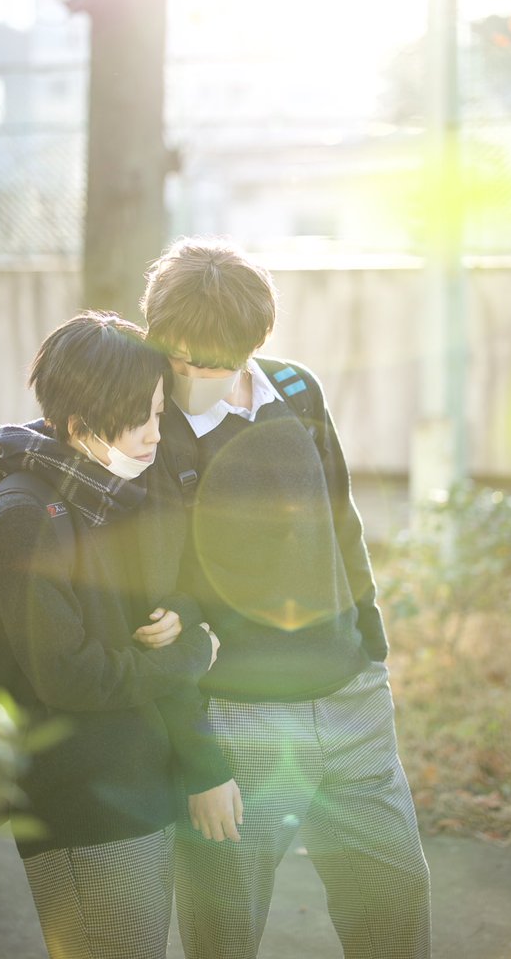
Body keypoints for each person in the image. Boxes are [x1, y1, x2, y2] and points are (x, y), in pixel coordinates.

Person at [139, 238, 431, 959]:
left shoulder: (296, 390)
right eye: (177, 358)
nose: (190, 374)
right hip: (236, 716)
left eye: (211, 362)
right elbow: (148, 593)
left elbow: (341, 518)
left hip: (350, 698)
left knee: (393, 901)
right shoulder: (149, 427)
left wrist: (371, 645)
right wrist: (199, 758)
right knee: (225, 930)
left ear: (254, 343)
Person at [0, 310, 234, 959]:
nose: (155, 434)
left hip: (136, 783)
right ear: (78, 423)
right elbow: (71, 675)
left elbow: (139, 615)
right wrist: (192, 654)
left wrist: (178, 616)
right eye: (138, 418)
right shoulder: (28, 514)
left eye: (158, 413)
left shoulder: (106, 492)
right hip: (82, 803)